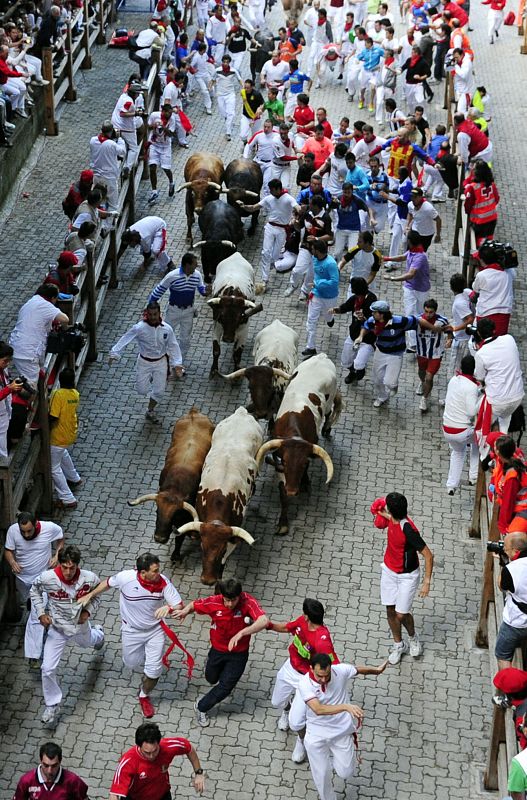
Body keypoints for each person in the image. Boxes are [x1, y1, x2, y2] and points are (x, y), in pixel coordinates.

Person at [77, 552, 184, 718]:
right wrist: (90, 595)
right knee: (131, 663)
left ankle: (144, 695)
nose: (159, 573)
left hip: (155, 631)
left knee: (154, 671)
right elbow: (107, 583)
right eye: (155, 571)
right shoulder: (125, 578)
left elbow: (179, 605)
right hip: (131, 631)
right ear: (143, 572)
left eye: (158, 569)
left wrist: (169, 608)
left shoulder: (163, 582)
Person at [289, 653, 387, 799]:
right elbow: (318, 709)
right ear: (311, 669)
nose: (324, 680)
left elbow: (358, 670)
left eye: (327, 675)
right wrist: (346, 707)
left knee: (346, 771)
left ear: (331, 668)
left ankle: (329, 760)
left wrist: (377, 670)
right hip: (316, 734)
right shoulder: (304, 684)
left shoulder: (340, 671)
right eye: (319, 676)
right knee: (322, 775)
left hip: (341, 732)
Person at [173, 578, 269, 727]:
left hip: (239, 653)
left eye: (233, 600)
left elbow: (264, 621)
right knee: (211, 678)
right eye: (226, 600)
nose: (229, 604)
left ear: (239, 596)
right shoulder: (214, 602)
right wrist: (185, 611)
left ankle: (201, 707)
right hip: (217, 650)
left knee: (225, 687)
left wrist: (241, 633)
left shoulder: (248, 601)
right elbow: (194, 605)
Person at [30, 544, 104, 726]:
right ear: (59, 564)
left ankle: (99, 635)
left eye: (72, 567)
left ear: (78, 565)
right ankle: (52, 704)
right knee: (47, 668)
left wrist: (88, 612)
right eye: (65, 567)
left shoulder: (90, 578)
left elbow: (97, 595)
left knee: (88, 642)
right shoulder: (47, 578)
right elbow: (34, 590)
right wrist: (41, 613)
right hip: (57, 629)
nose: (68, 572)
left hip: (80, 626)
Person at [267, 598, 339, 761]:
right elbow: (286, 627)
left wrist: (332, 684)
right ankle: (286, 710)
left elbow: (333, 664)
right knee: (277, 702)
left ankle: (301, 741)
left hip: (306, 679)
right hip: (290, 668)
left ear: (307, 616)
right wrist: (269, 625)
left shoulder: (323, 640)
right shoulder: (301, 621)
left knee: (296, 723)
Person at [370, 492, 433, 663]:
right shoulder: (394, 518)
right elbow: (390, 518)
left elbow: (428, 555)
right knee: (390, 610)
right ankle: (399, 645)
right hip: (389, 571)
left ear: (392, 510)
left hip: (407, 576)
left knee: (401, 614)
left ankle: (413, 638)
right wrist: (381, 513)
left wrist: (426, 583)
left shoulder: (408, 530)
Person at [109, 301, 183, 424]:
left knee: (159, 391)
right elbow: (125, 338)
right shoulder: (139, 328)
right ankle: (150, 378)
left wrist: (177, 363)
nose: (153, 317)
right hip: (144, 362)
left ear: (159, 313)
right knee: (141, 390)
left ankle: (150, 410)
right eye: (150, 314)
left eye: (155, 314)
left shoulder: (167, 329)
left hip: (160, 362)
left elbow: (173, 345)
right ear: (147, 314)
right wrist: (114, 352)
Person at [4, 511, 63, 663]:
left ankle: (33, 655)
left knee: (37, 615)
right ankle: (33, 608)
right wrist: (12, 562)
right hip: (22, 580)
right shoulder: (13, 531)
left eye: (29, 531)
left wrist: (57, 555)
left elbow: (60, 538)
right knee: (31, 605)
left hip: (41, 580)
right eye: (23, 531)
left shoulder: (49, 528)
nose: (26, 535)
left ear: (36, 524)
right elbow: (8, 550)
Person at [109, 722, 205, 800]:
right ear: (139, 746)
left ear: (158, 743)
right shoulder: (128, 762)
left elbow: (189, 748)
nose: (151, 756)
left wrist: (199, 773)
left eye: (155, 751)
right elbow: (114, 794)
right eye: (147, 753)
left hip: (163, 796)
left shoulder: (168, 747)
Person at [238, 178, 300, 290]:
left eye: (271, 189)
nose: (269, 191)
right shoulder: (269, 198)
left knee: (275, 255)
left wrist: (300, 211)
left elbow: (296, 207)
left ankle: (269, 265)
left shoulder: (288, 198)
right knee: (265, 252)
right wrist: (244, 206)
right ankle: (264, 279)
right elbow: (253, 208)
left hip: (282, 230)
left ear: (277, 189)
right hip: (270, 227)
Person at [355, 299, 418, 407]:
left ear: (382, 314)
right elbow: (366, 326)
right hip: (380, 352)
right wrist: (360, 336)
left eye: (374, 312)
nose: (372, 314)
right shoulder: (372, 321)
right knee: (377, 379)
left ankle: (394, 386)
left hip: (396, 354)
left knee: (390, 382)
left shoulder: (400, 321)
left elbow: (416, 320)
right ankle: (382, 396)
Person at [147, 252, 206, 361]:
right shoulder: (172, 276)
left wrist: (207, 291)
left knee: (185, 339)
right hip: (173, 311)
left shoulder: (197, 275)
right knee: (165, 334)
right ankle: (162, 357)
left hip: (188, 311)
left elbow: (202, 290)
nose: (196, 266)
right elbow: (159, 291)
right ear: (187, 265)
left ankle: (179, 361)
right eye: (194, 264)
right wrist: (149, 306)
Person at [9, 285, 70, 386]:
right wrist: (64, 328)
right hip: (28, 352)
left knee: (30, 380)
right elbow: (65, 319)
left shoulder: (30, 302)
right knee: (30, 387)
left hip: (19, 346)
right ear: (53, 298)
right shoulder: (45, 305)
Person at [474, 318, 524, 433]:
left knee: (482, 420)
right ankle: (503, 436)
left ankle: (490, 441)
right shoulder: (509, 339)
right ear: (494, 330)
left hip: (497, 401)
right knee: (504, 420)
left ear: (479, 333)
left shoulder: (481, 353)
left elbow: (480, 377)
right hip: (517, 396)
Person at [385, 230, 431, 352]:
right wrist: (386, 258)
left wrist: (393, 278)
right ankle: (413, 344)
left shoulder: (420, 256)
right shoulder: (412, 251)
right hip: (409, 288)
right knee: (410, 313)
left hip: (421, 289)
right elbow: (402, 257)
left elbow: (411, 274)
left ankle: (421, 338)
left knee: (420, 314)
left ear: (410, 241)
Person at [442, 354, 480, 495]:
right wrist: (481, 400)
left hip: (447, 429)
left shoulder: (453, 380)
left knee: (457, 452)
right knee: (478, 440)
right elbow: (471, 411)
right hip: (462, 431)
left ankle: (451, 485)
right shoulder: (472, 387)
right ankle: (473, 475)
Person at [286, 195, 333, 301]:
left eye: (310, 203)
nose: (308, 205)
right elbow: (300, 227)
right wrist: (295, 224)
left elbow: (330, 236)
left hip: (318, 251)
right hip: (306, 247)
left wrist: (316, 238)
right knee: (297, 270)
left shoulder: (326, 218)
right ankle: (293, 285)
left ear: (316, 206)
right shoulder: (307, 214)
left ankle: (305, 291)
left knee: (311, 273)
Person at [331, 276, 377, 384]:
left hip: (367, 340)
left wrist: (364, 319)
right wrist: (336, 310)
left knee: (359, 364)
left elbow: (375, 322)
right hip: (353, 335)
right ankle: (352, 372)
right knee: (345, 361)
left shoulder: (372, 300)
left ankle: (360, 370)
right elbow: (345, 307)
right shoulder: (354, 299)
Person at [49, 368, 82, 510]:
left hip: (58, 435)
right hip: (70, 433)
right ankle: (74, 477)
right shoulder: (75, 394)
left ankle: (68, 498)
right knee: (62, 453)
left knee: (53, 467)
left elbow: (53, 416)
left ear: (60, 381)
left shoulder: (58, 394)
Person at [495, 533, 527, 671]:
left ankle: (507, 682)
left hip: (516, 622)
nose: (504, 550)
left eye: (506, 549)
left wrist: (505, 564)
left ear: (515, 551)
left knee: (503, 655)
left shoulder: (512, 569)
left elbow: (501, 586)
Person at [13, 742, 88, 800]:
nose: (49, 771)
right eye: (46, 765)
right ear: (41, 761)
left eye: (54, 766)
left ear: (60, 761)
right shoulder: (26, 781)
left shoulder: (73, 781)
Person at [302, 240, 339, 357]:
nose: (311, 251)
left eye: (312, 249)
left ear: (317, 251)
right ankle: (310, 347)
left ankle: (330, 319)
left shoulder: (331, 264)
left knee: (327, 316)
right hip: (316, 294)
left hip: (329, 297)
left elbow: (334, 281)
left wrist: (318, 283)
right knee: (311, 320)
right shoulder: (314, 258)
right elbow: (312, 273)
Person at [414, 298, 451, 412]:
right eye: (426, 311)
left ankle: (424, 398)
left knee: (429, 377)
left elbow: (449, 329)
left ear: (435, 311)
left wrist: (449, 339)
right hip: (421, 353)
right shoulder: (417, 319)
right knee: (421, 372)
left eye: (431, 312)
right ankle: (422, 383)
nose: (428, 314)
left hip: (435, 354)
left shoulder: (442, 320)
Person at [472, 239, 515, 336]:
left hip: (485, 313)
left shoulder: (482, 275)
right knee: (499, 339)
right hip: (504, 315)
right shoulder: (509, 273)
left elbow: (475, 288)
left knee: (482, 340)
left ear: (483, 260)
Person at [89, 121, 126, 222]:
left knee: (100, 202)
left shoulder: (93, 140)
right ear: (111, 131)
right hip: (109, 178)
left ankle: (98, 222)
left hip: (97, 177)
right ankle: (108, 226)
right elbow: (122, 152)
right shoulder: (111, 144)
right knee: (113, 204)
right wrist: (119, 139)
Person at [491, 436, 527, 536]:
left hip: (522, 510)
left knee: (512, 539)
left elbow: (508, 502)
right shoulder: (511, 460)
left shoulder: (512, 477)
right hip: (519, 508)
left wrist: (503, 526)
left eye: (495, 446)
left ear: (498, 452)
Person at [330, 182, 372, 260]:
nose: (346, 194)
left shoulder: (357, 200)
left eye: (349, 192)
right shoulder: (338, 199)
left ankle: (355, 267)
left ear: (352, 191)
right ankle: (336, 266)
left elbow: (368, 208)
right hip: (341, 229)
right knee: (337, 253)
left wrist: (371, 218)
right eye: (345, 192)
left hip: (354, 230)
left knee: (352, 252)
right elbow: (329, 208)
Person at [111, 82, 144, 178]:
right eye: (137, 93)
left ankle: (120, 158)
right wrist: (136, 114)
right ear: (134, 93)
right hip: (125, 127)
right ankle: (127, 168)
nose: (138, 95)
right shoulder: (129, 102)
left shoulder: (123, 96)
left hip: (115, 124)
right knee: (133, 148)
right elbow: (122, 113)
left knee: (120, 143)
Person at [146, 103, 178, 204]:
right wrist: (154, 126)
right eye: (168, 113)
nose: (170, 115)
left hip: (165, 146)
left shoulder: (172, 120)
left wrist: (163, 127)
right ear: (163, 111)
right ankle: (154, 191)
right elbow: (148, 126)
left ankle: (171, 183)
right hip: (154, 144)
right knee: (152, 167)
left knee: (166, 168)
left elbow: (171, 133)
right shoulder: (154, 115)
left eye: (171, 113)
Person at [464, 160, 499, 246]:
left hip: (479, 221)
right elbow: (497, 199)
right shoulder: (491, 184)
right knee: (488, 242)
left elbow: (468, 205)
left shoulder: (472, 188)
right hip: (492, 219)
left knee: (475, 243)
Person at [447, 273, 474, 377]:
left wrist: (455, 328)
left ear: (451, 287)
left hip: (462, 339)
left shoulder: (459, 303)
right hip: (465, 337)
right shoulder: (467, 292)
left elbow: (470, 319)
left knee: (455, 369)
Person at [0, 341, 24, 459]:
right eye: (5, 361)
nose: (7, 364)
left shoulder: (3, 369)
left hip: (5, 411)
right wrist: (10, 388)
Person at [213, 54, 242, 141]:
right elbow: (213, 79)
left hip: (230, 94)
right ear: (222, 62)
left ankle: (228, 132)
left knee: (231, 113)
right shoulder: (217, 70)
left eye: (227, 62)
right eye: (224, 62)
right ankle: (228, 121)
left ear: (229, 63)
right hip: (220, 94)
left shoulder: (234, 71)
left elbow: (240, 80)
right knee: (223, 112)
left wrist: (244, 88)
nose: (225, 63)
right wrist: (210, 86)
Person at [188, 43, 213, 115]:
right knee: (205, 91)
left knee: (211, 87)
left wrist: (211, 61)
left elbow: (207, 59)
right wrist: (194, 71)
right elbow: (190, 66)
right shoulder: (196, 57)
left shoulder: (205, 55)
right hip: (199, 76)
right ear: (203, 49)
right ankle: (208, 107)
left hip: (206, 74)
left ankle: (211, 96)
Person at [239, 79, 265, 144]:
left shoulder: (257, 94)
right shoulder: (243, 92)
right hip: (246, 116)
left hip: (256, 118)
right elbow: (241, 94)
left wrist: (260, 109)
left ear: (252, 87)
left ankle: (253, 145)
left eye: (248, 88)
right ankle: (245, 143)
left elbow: (263, 104)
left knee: (255, 135)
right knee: (243, 135)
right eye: (245, 87)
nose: (246, 89)